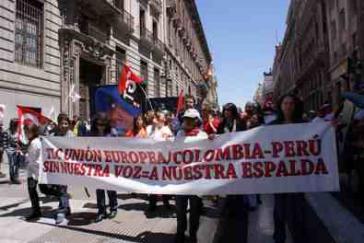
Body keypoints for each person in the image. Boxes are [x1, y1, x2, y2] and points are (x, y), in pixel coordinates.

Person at [269, 94, 306, 243]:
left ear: (295, 106)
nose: (288, 106)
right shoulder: (272, 126)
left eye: (291, 103)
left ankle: (299, 236)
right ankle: (279, 237)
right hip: (279, 174)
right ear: (281, 106)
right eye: (285, 103)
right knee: (279, 209)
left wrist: (330, 126)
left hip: (298, 174)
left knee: (298, 209)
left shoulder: (304, 124)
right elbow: (253, 139)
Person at [214, 102, 248, 243]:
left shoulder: (240, 124)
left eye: (229, 110)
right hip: (225, 164)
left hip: (238, 163)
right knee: (225, 199)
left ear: (233, 111)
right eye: (225, 110)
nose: (227, 112)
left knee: (237, 198)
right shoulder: (221, 125)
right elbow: (217, 140)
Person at [174, 108, 208, 243]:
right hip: (180, 180)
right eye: (185, 119)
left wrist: (213, 140)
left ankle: (193, 234)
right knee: (180, 209)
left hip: (196, 180)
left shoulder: (203, 136)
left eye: (190, 119)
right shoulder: (179, 134)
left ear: (196, 121)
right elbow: (173, 151)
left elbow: (208, 155)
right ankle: (180, 233)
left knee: (195, 210)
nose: (187, 121)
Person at [90, 113, 118, 222]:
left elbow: (118, 149)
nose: (100, 126)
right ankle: (101, 211)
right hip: (97, 164)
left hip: (109, 164)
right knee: (99, 189)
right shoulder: (93, 133)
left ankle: (113, 208)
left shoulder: (113, 133)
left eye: (103, 124)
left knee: (110, 188)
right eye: (98, 124)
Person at [148, 112, 173, 211]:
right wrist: (155, 128)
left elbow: (171, 141)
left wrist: (168, 139)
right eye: (161, 117)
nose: (163, 118)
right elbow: (149, 140)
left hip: (164, 159)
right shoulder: (150, 128)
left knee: (164, 181)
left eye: (163, 117)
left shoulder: (167, 129)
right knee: (153, 182)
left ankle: (166, 202)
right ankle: (152, 204)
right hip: (153, 159)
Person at [24, 122, 42, 221]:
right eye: (25, 131)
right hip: (34, 170)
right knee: (34, 191)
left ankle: (36, 211)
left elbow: (31, 158)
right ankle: (36, 210)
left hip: (33, 171)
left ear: (33, 131)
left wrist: (25, 155)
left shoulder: (34, 142)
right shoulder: (34, 141)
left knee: (33, 192)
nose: (26, 133)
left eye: (28, 131)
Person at [3, 119, 24, 184]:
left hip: (17, 150)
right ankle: (12, 178)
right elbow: (4, 142)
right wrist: (7, 150)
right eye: (16, 125)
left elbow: (18, 141)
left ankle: (16, 177)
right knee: (12, 164)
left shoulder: (17, 132)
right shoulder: (7, 132)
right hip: (10, 150)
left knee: (17, 164)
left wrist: (19, 146)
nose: (17, 126)